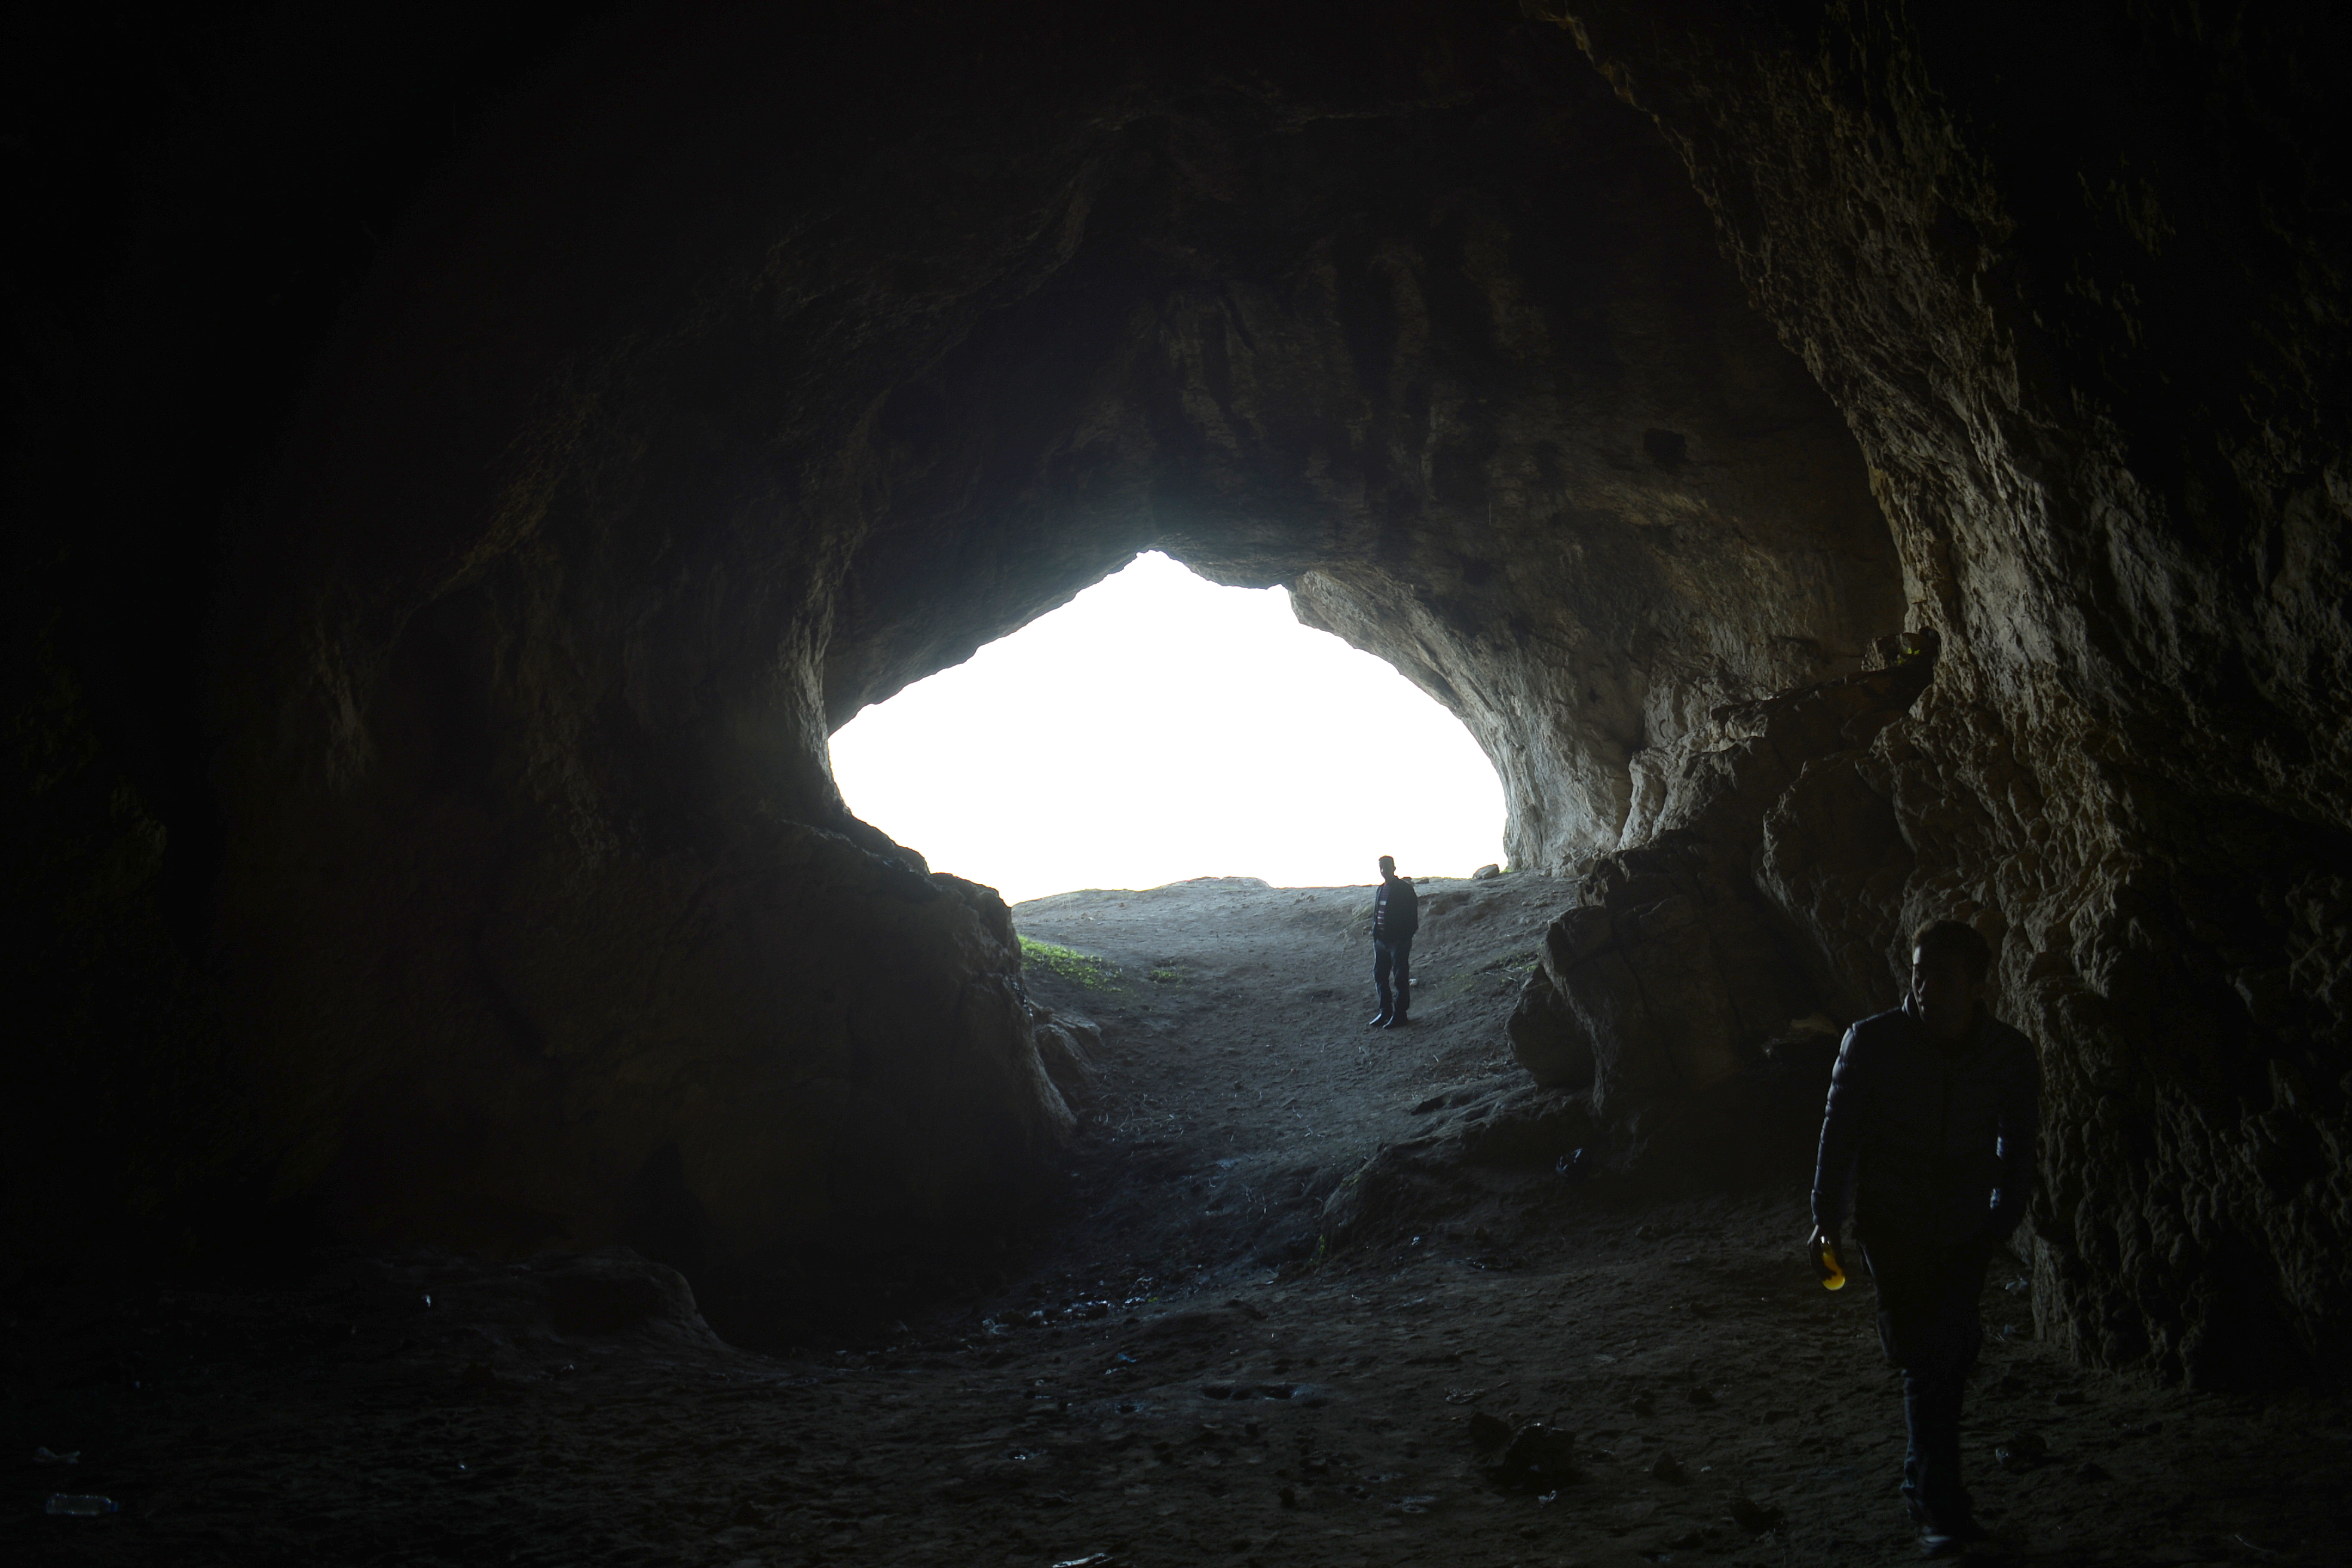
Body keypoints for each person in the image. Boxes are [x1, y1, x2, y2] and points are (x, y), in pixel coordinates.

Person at [1809, 920, 2041, 1558]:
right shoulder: (1874, 1042)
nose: (1927, 987)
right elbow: (1840, 1134)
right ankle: (1941, 1506)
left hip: (1965, 1226)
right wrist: (1826, 1216)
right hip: (1894, 1223)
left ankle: (1926, 1488)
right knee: (1929, 1353)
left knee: (1948, 1353)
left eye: (1944, 976)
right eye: (1919, 971)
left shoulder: (2009, 1056)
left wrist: (2001, 1220)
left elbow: (2019, 1146)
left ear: (1976, 984)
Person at [1367, 855, 1419, 1029]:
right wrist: (1376, 934)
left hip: (1398, 943)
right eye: (1381, 867)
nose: (1383, 871)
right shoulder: (1381, 889)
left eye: (1386, 867)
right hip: (1381, 942)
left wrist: (1403, 938)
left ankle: (1400, 1014)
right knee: (1380, 976)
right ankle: (1385, 1012)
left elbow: (1412, 919)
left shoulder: (1405, 890)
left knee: (1400, 979)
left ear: (1394, 868)